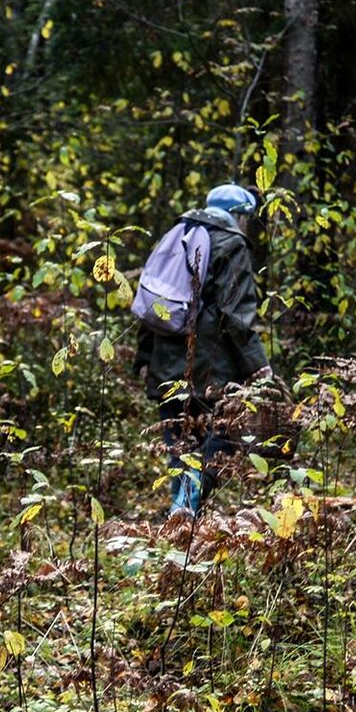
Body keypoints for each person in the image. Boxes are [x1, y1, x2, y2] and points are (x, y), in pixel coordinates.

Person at [133, 184, 272, 517]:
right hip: (210, 369)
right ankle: (185, 511)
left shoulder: (177, 233)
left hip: (166, 366)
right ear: (239, 216)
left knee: (180, 447)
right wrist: (259, 367)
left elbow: (155, 300)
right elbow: (236, 315)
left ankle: (180, 517)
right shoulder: (232, 244)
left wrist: (143, 356)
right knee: (226, 436)